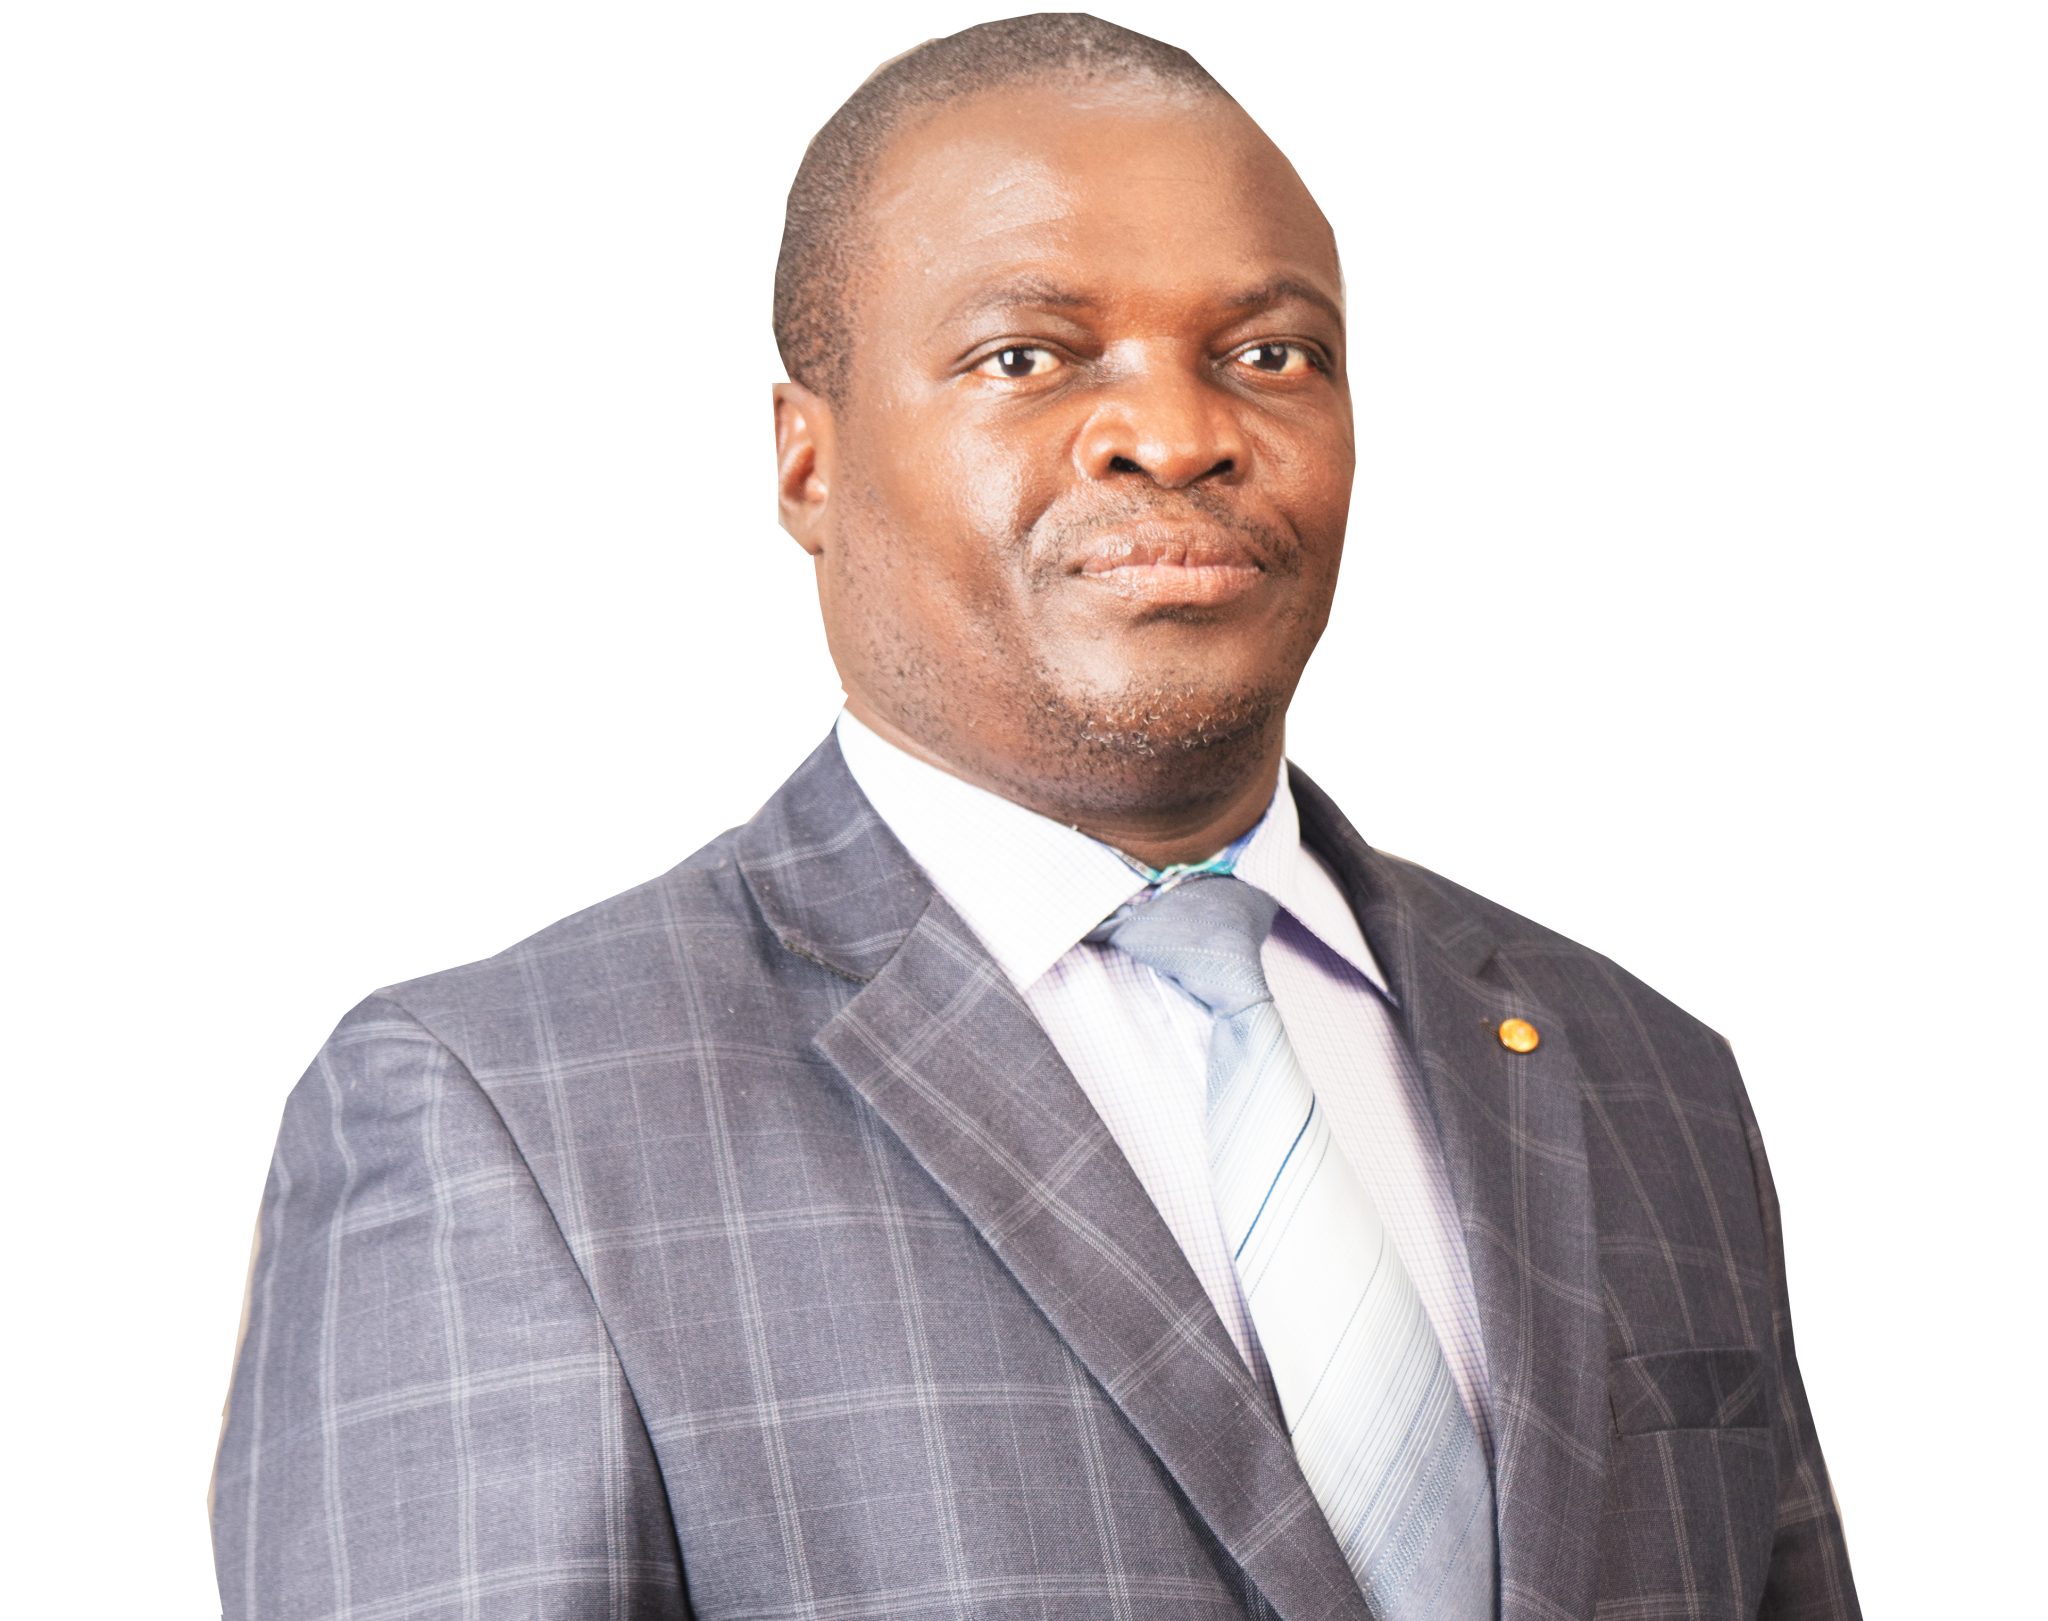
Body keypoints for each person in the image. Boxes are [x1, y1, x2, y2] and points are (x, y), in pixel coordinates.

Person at [211, 15, 1860, 1619]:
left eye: (1268, 354)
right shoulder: (505, 1120)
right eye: (1027, 356)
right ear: (806, 462)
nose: (1180, 433)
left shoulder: (1646, 1074)